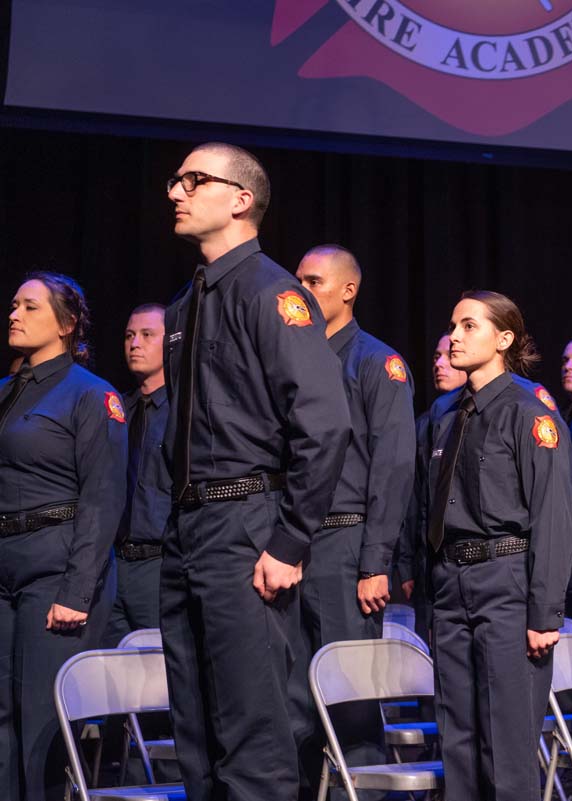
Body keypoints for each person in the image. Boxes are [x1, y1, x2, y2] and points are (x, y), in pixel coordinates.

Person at [160, 142, 351, 801]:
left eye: (193, 180)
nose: (175, 192)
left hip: (246, 526)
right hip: (188, 527)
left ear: (241, 199)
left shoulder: (273, 291)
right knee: (195, 731)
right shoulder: (187, 302)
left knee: (254, 732)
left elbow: (324, 422)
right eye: (176, 181)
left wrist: (289, 539)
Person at [428, 290, 572, 801]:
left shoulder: (527, 410)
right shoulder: (446, 413)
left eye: (469, 326)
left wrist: (545, 613)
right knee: (458, 737)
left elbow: (554, 516)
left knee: (508, 742)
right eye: (453, 326)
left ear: (504, 339)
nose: (454, 337)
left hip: (506, 581)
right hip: (451, 584)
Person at [292, 244, 416, 794]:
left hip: (346, 543)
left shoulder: (375, 362)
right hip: (290, 543)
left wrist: (375, 561)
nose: (301, 292)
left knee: (350, 699)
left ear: (348, 290)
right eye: (297, 282)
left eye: (314, 282)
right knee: (291, 695)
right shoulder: (289, 358)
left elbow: (391, 469)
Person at [0, 272, 125, 801]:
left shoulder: (91, 395)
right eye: (13, 305)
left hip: (56, 566)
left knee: (40, 719)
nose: (14, 314)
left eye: (29, 306)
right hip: (5, 561)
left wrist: (76, 592)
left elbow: (104, 496)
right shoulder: (7, 393)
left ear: (67, 324)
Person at [103, 303, 171, 646]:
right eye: (129, 335)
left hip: (159, 566)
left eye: (147, 335)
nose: (135, 344)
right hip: (114, 565)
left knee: (160, 677)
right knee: (114, 681)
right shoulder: (115, 410)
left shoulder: (182, 412)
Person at [394, 333, 466, 642]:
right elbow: (413, 500)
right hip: (426, 564)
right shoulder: (426, 422)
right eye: (436, 356)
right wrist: (407, 564)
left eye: (448, 355)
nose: (440, 363)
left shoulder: (488, 415)